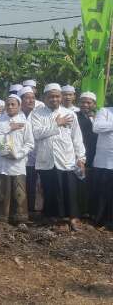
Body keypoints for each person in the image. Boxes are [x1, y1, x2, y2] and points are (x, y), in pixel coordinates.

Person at [30, 83, 86, 231]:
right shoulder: (37, 114)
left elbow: (77, 138)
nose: (54, 99)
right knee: (50, 189)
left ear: (61, 97)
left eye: (57, 96)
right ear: (44, 98)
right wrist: (56, 124)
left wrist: (81, 158)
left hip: (66, 158)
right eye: (51, 96)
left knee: (69, 189)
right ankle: (55, 219)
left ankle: (73, 218)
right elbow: (36, 134)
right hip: (46, 158)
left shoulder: (70, 114)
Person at [0, 94, 34, 225]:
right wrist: (9, 127)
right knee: (1, 189)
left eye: (13, 104)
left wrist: (18, 154)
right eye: (8, 104)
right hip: (1, 162)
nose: (10, 107)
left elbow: (30, 144)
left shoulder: (25, 123)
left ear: (19, 106)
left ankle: (19, 219)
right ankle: (2, 218)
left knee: (18, 190)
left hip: (17, 163)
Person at [19, 86, 41, 214]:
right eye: (27, 98)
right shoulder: (15, 114)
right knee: (21, 185)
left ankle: (33, 210)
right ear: (21, 100)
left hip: (36, 157)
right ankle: (20, 210)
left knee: (33, 185)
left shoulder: (38, 114)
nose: (31, 101)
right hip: (19, 157)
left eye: (33, 98)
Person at [76, 92, 98, 218]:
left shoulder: (99, 117)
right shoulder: (75, 116)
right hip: (81, 155)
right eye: (83, 102)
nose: (85, 105)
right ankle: (80, 211)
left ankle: (90, 210)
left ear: (94, 104)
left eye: (88, 102)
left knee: (93, 183)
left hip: (96, 155)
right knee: (80, 183)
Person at [92, 103, 113, 228]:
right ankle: (100, 219)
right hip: (105, 161)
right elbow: (97, 127)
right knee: (103, 191)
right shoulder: (104, 111)